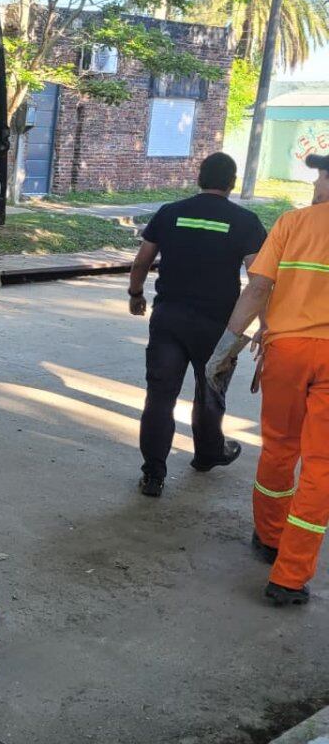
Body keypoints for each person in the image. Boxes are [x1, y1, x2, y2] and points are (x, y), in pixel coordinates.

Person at [207, 152, 329, 606]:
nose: (315, 185)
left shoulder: (292, 223)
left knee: (279, 447)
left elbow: (258, 288)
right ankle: (289, 578)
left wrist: (226, 348)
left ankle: (270, 537)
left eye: (320, 176)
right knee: (321, 467)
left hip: (286, 352)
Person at [128, 152, 267, 497]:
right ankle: (207, 454)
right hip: (217, 326)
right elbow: (259, 280)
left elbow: (142, 260)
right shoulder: (245, 221)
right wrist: (265, 324)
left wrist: (135, 293)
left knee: (160, 396)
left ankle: (153, 474)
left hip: (169, 320)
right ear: (232, 182)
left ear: (199, 178)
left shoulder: (170, 212)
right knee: (210, 391)